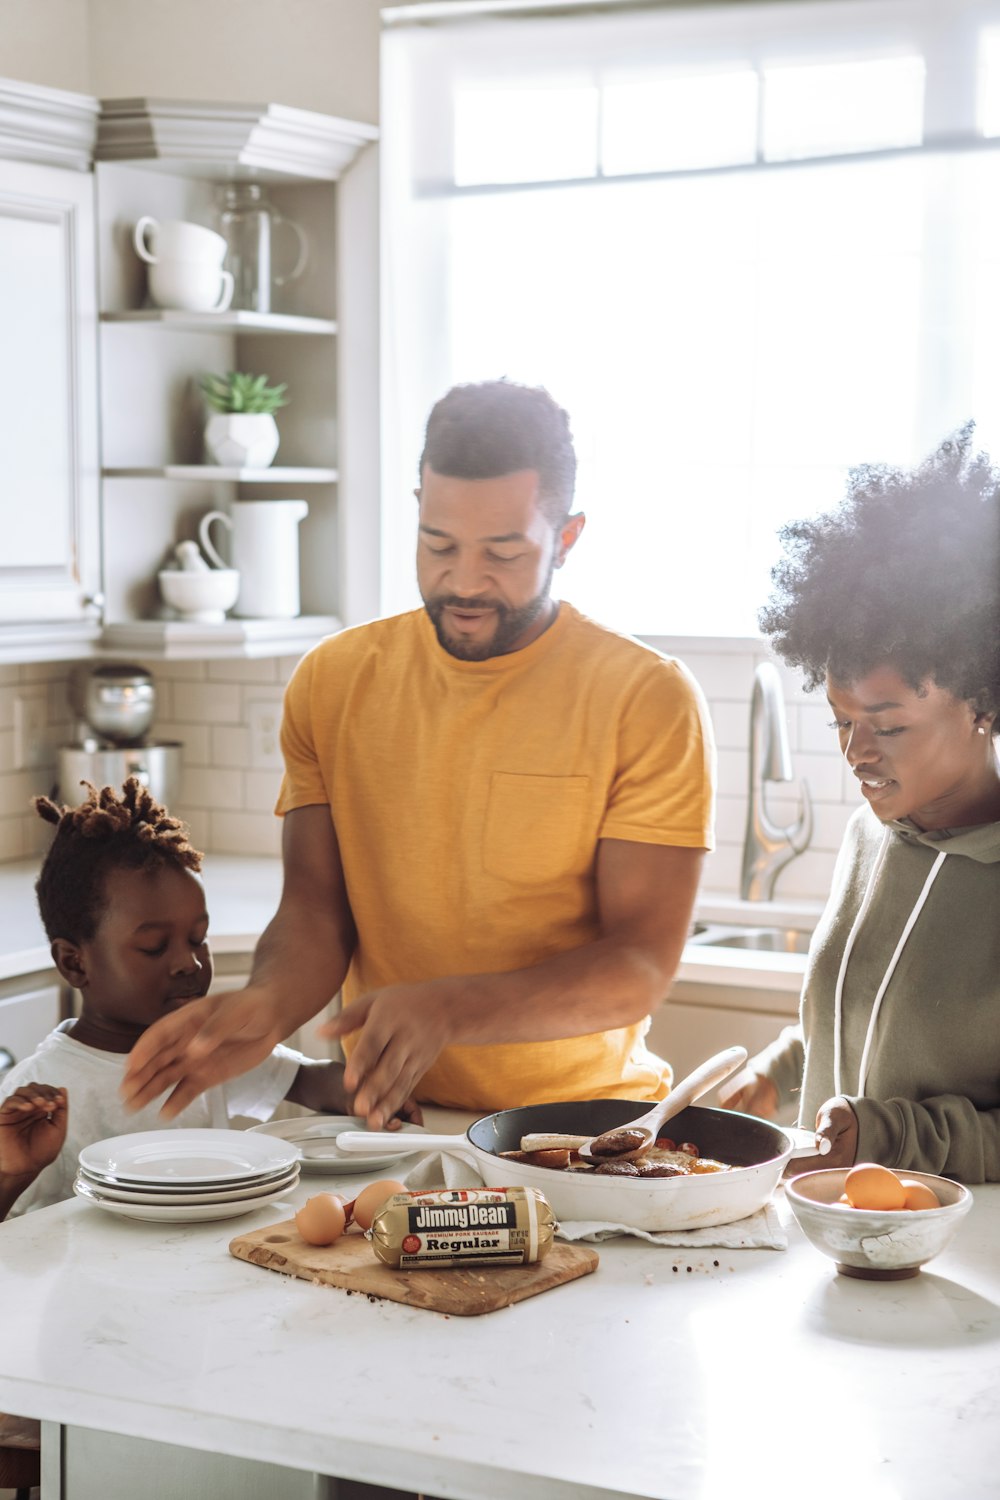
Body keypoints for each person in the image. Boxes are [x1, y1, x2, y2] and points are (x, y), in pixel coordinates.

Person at [121, 379, 716, 1129]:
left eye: (504, 552)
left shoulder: (644, 698)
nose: (465, 581)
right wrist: (264, 1006)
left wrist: (454, 1008)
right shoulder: (334, 682)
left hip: (581, 1127)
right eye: (439, 544)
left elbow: (638, 966)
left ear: (566, 539)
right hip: (387, 1121)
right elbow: (314, 910)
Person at [719, 425, 1000, 1183]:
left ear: (982, 703)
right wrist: (777, 1073)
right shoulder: (870, 839)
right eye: (842, 721)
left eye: (888, 726)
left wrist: (890, 1137)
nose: (855, 753)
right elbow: (862, 1007)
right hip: (833, 1239)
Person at [0, 779, 419, 1222]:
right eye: (155, 947)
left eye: (198, 939)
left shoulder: (205, 1049)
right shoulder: (40, 1090)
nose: (189, 963)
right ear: (74, 964)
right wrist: (10, 1174)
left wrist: (367, 1092)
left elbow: (306, 1079)